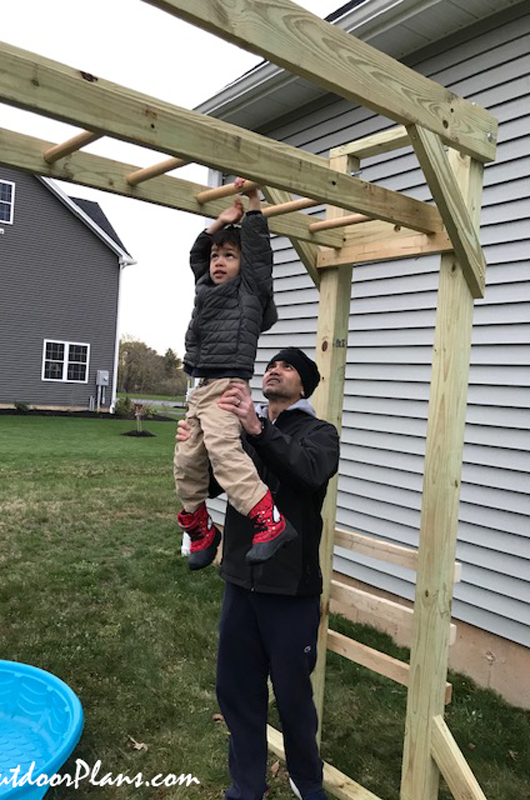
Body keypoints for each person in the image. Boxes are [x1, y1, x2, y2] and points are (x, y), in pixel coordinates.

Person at [177, 347, 339, 800]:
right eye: (271, 365)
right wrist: (194, 445)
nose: (274, 369)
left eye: (287, 367)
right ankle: (246, 786)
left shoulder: (319, 434)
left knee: (292, 698)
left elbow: (307, 473)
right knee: (237, 692)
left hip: (290, 589)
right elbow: (215, 483)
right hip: (240, 581)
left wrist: (257, 428)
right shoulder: (245, 432)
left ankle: (307, 781)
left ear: (303, 385)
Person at [174, 179, 298, 570]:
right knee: (186, 458)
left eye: (229, 255)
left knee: (225, 453)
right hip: (202, 387)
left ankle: (269, 519)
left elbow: (259, 256)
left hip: (229, 383)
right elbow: (196, 256)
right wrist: (220, 221)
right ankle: (201, 529)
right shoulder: (205, 288)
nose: (218, 262)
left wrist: (254, 203)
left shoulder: (250, 290)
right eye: (216, 256)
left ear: (243, 266)